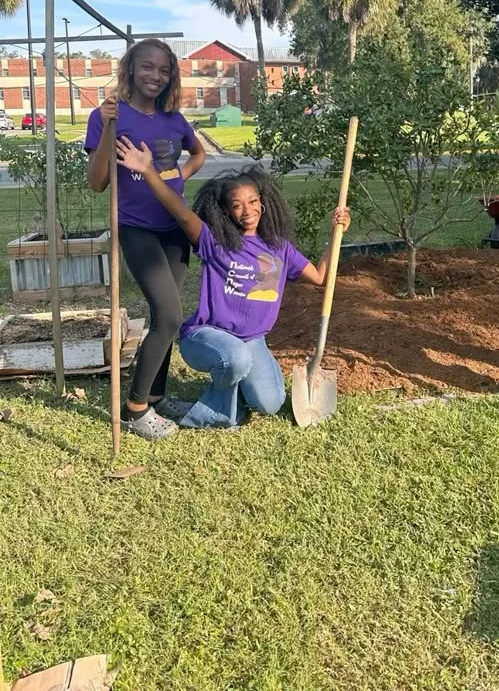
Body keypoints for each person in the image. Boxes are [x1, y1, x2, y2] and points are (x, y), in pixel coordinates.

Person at [116, 138, 351, 430]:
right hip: (207, 336)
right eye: (237, 206)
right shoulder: (215, 242)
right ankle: (218, 412)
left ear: (263, 205)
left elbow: (319, 277)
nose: (247, 211)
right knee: (235, 358)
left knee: (270, 402)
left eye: (253, 202)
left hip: (252, 340)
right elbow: (180, 211)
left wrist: (335, 234)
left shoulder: (280, 247)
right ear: (226, 211)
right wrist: (149, 171)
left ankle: (234, 389)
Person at [86, 39, 206, 440]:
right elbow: (97, 183)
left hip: (174, 228)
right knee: (170, 314)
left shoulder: (173, 119)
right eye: (148, 67)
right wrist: (106, 128)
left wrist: (178, 179)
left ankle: (156, 396)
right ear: (131, 69)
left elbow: (198, 154)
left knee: (163, 319)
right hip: (137, 229)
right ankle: (134, 409)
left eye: (164, 69)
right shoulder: (109, 116)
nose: (156, 76)